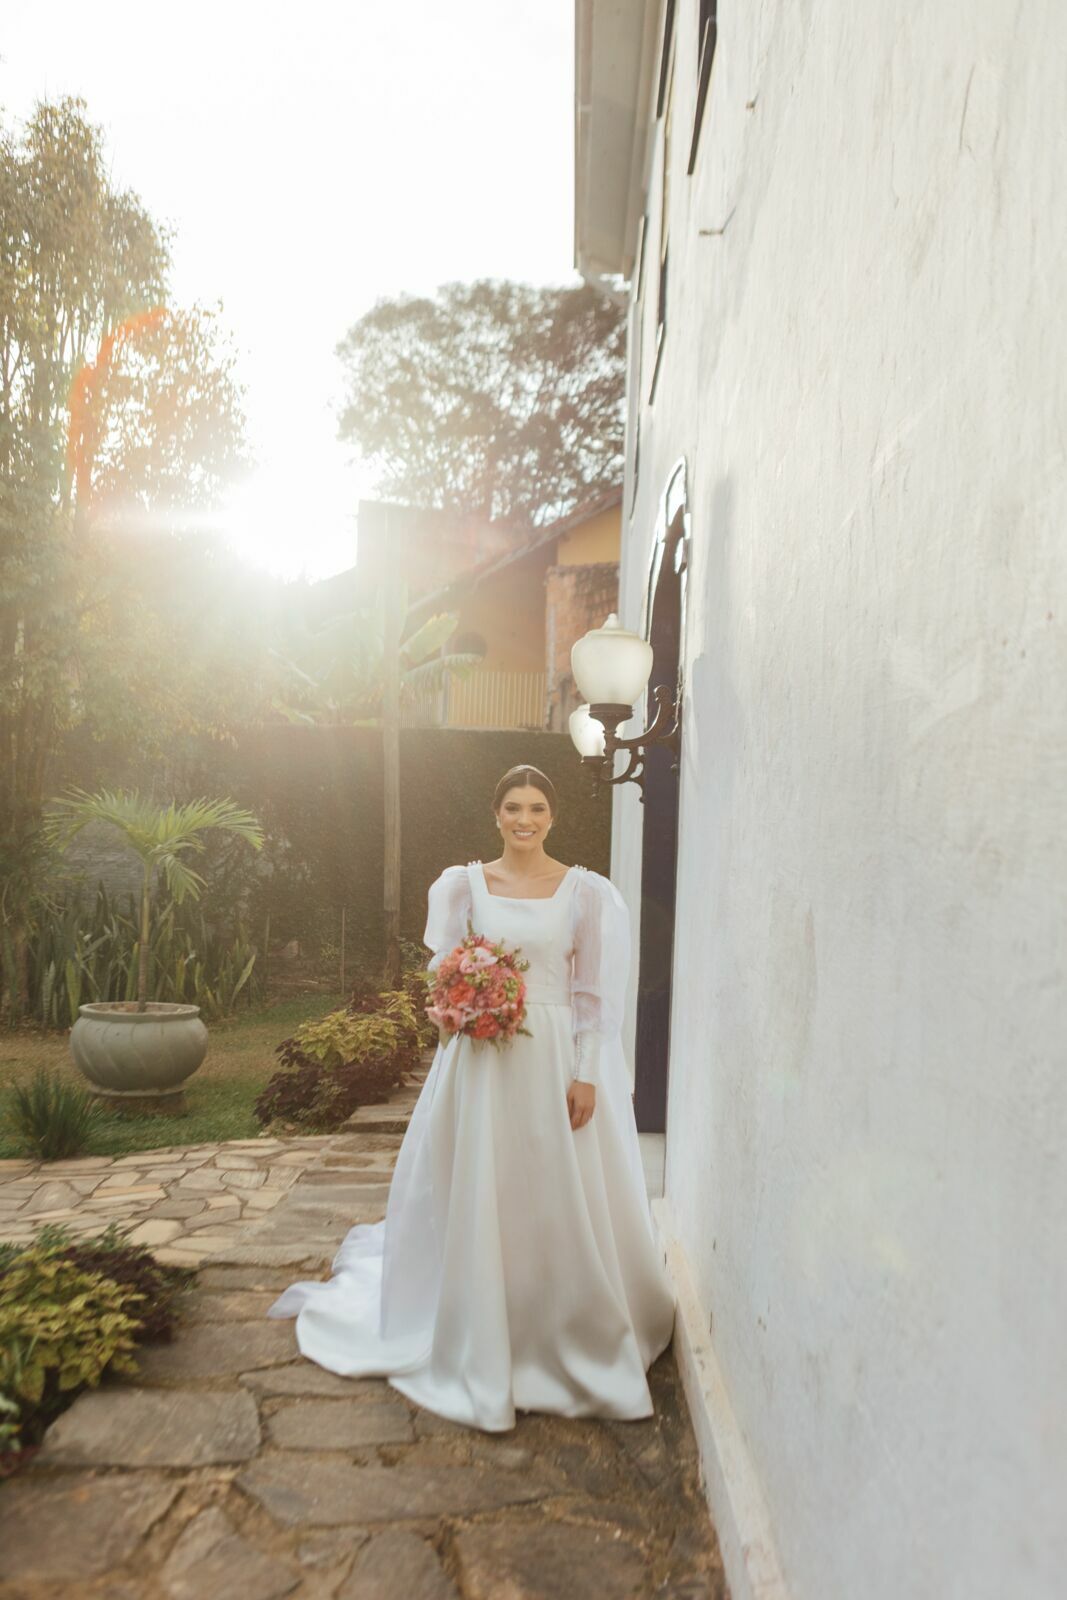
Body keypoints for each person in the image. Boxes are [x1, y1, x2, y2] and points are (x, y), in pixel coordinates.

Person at [266, 763, 675, 1432]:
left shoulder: (585, 893)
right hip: (479, 1061)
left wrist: (585, 1073)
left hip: (548, 1058)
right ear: (495, 814)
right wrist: (457, 1007)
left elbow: (593, 999)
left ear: (552, 816)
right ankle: (475, 1319)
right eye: (512, 805)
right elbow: (444, 977)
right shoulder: (462, 886)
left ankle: (555, 1325)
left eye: (536, 807)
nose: (524, 817)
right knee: (481, 1184)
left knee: (549, 1189)